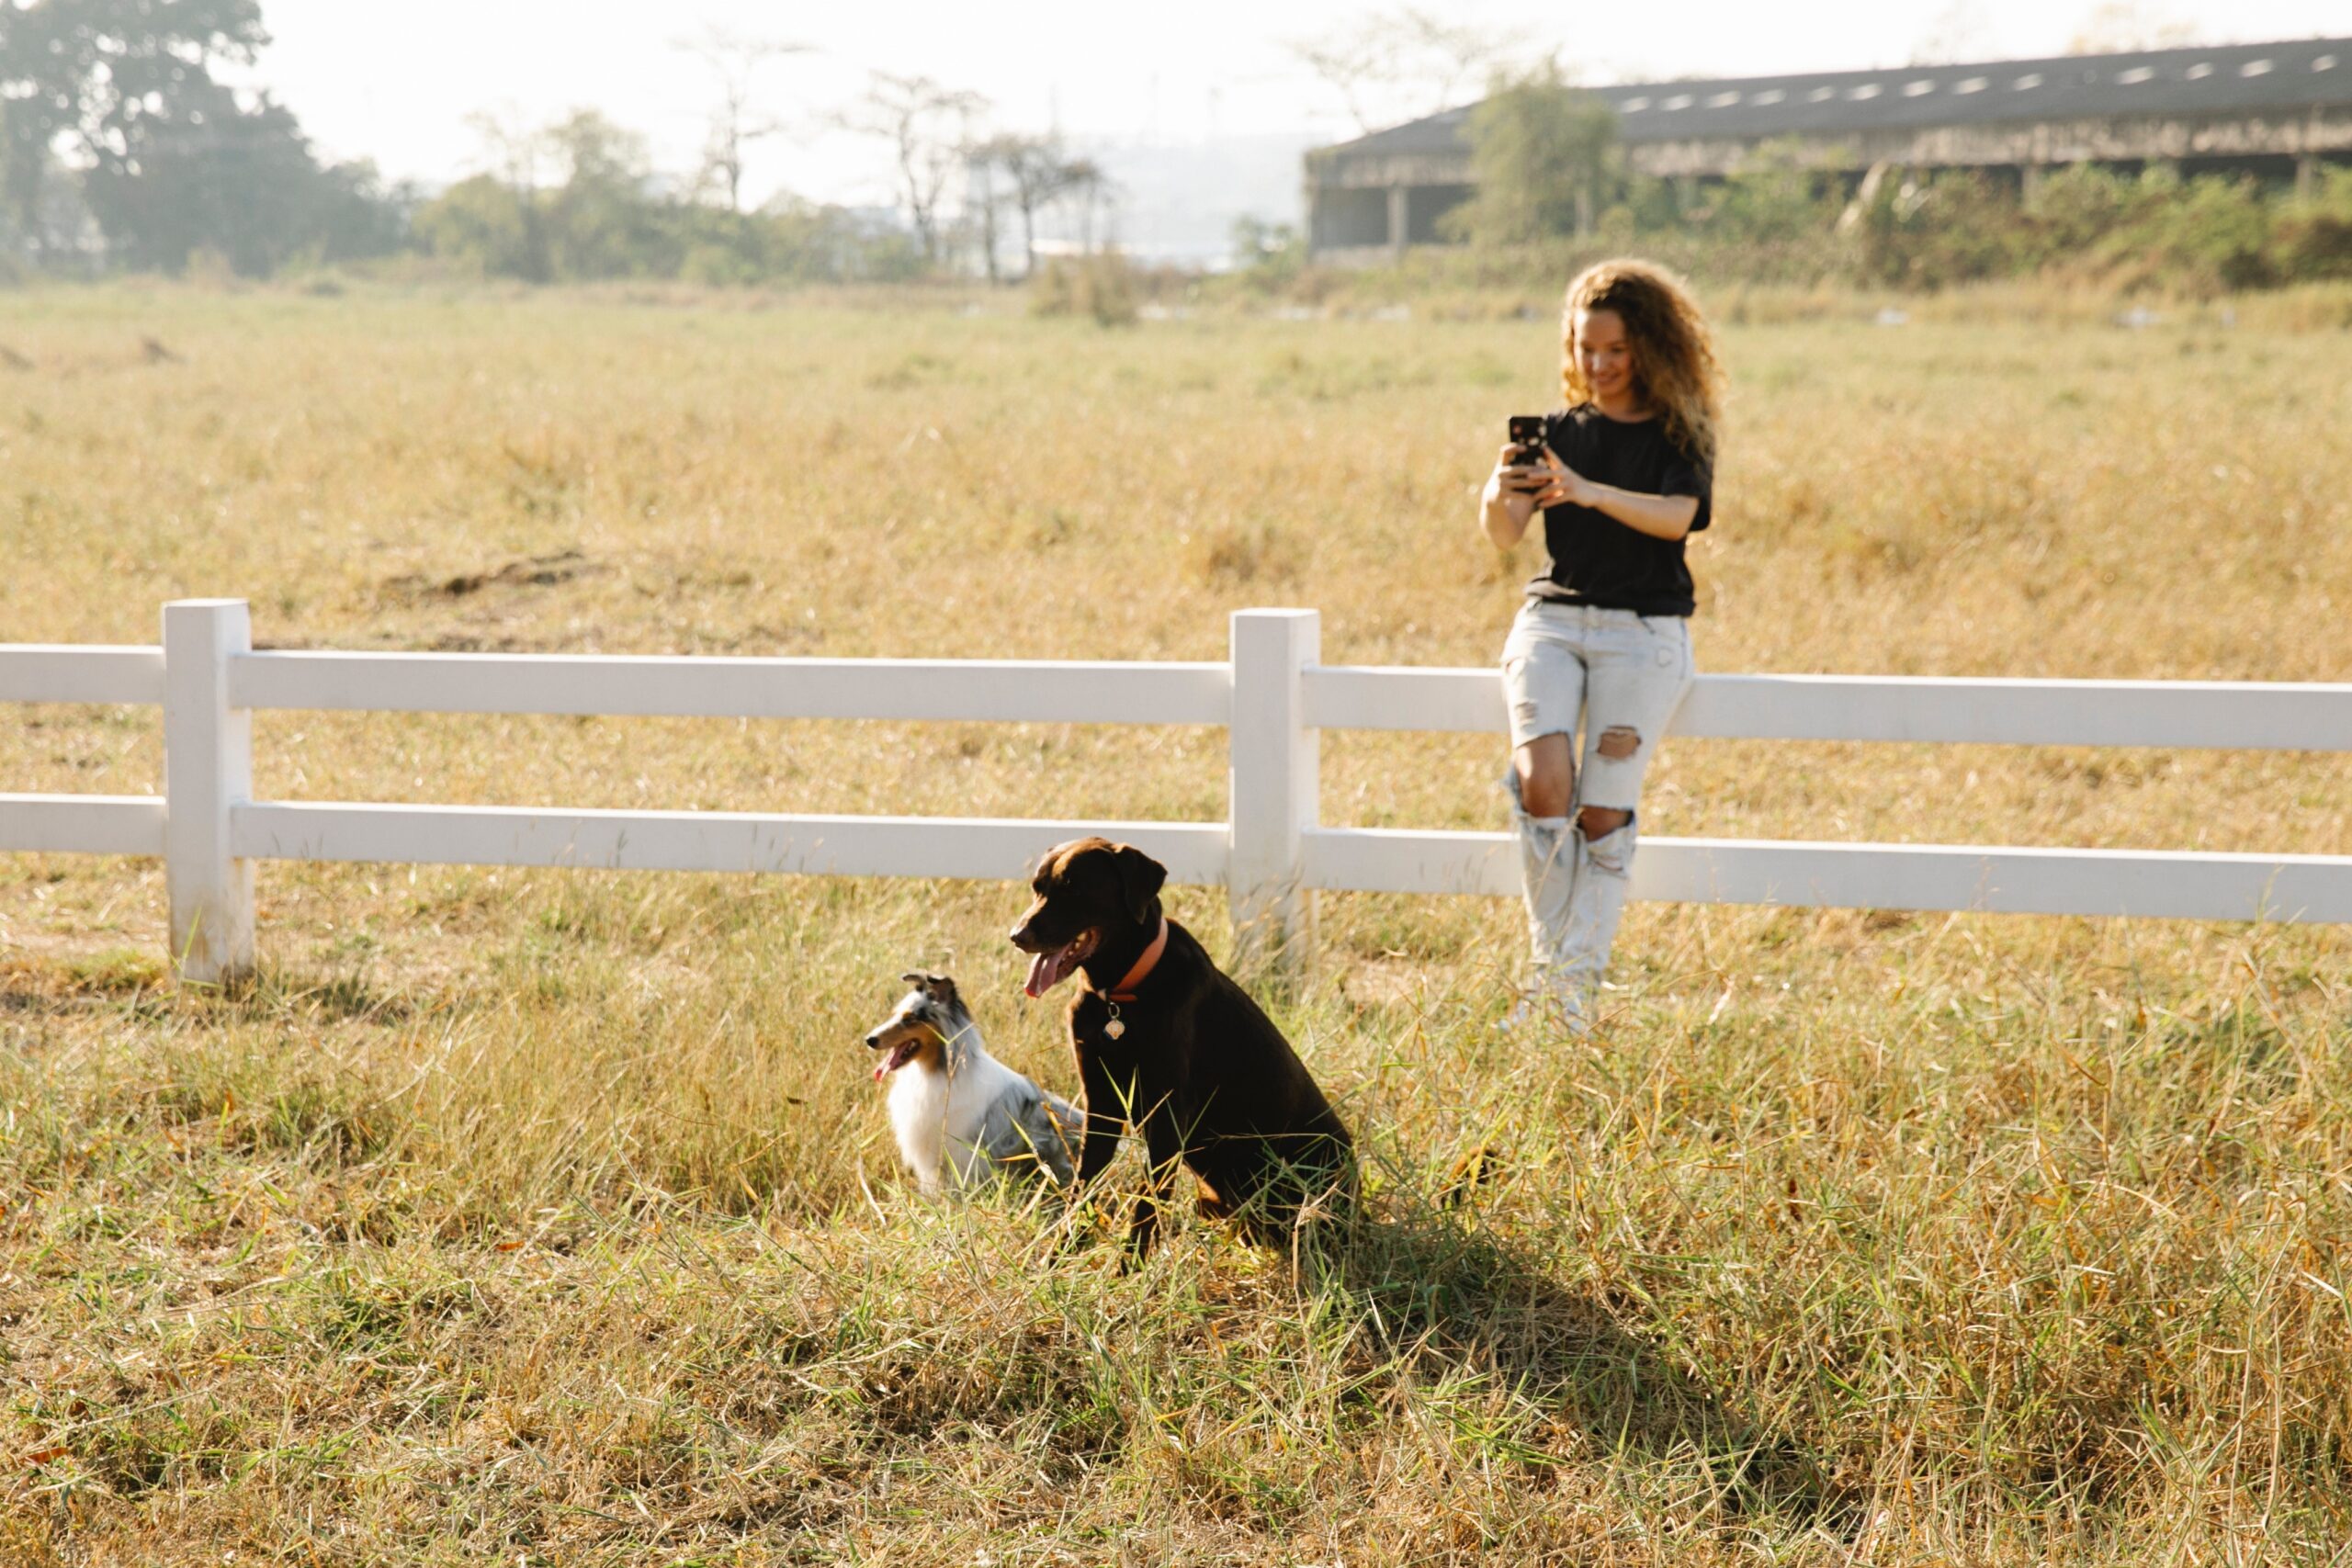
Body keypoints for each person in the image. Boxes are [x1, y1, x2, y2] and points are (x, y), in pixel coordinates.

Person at [1476, 259, 1724, 1031]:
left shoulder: (1681, 431)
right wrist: (1498, 489)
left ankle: (1564, 995)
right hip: (1554, 619)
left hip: (1642, 633)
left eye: (1614, 348)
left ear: (1648, 345)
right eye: (1585, 348)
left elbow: (1679, 516)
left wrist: (1586, 491)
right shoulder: (1557, 434)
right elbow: (1504, 537)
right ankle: (1558, 982)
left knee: (1602, 813)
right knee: (1542, 782)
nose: (1598, 364)